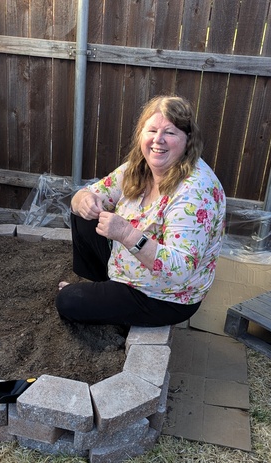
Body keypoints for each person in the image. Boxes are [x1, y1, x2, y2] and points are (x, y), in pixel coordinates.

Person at [56, 95, 226, 327]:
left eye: (170, 132)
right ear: (141, 134)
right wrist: (83, 199)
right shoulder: (141, 167)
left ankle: (107, 301)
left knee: (68, 301)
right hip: (129, 268)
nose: (159, 140)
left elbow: (180, 270)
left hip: (165, 297)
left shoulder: (194, 193)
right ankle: (105, 288)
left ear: (187, 139)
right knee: (85, 214)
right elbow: (86, 195)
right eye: (152, 130)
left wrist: (126, 234)